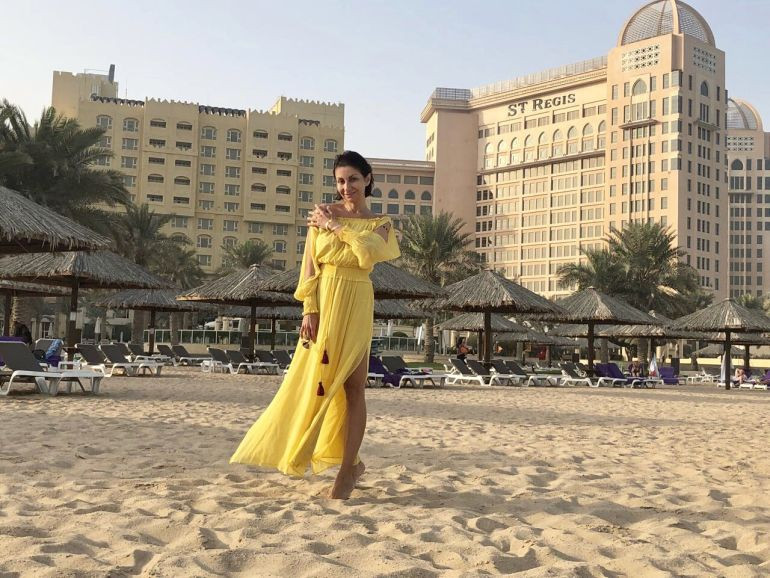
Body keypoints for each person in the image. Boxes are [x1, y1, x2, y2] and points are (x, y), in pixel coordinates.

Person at [231, 151, 400, 500]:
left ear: (368, 179)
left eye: (353, 179)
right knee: (316, 381)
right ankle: (331, 457)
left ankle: (347, 469)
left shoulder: (381, 223)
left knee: (354, 387)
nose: (346, 187)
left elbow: (366, 254)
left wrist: (335, 228)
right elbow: (309, 265)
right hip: (324, 299)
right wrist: (309, 309)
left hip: (357, 298)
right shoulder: (321, 214)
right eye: (340, 181)